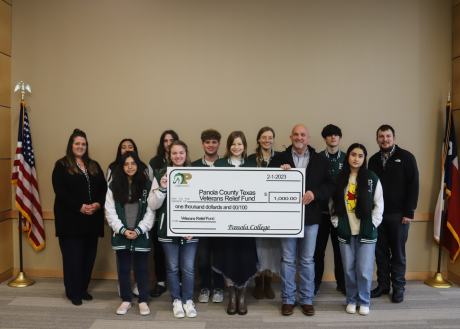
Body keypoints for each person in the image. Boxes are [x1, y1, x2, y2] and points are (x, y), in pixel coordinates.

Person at [268, 124, 335, 316]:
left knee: (307, 260)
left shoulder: (321, 161)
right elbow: (268, 183)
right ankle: (288, 300)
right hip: (286, 219)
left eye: (303, 135)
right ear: (290, 137)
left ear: (309, 138)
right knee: (288, 260)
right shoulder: (278, 159)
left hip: (311, 218)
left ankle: (306, 299)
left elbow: (331, 185)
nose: (299, 138)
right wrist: (279, 174)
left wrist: (315, 193)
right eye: (296, 135)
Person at [52, 129, 107, 306]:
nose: (80, 147)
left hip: (92, 221)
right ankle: (73, 292)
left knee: (88, 256)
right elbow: (59, 191)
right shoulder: (61, 165)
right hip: (70, 221)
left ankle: (83, 289)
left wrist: (98, 204)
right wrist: (79, 207)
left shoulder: (93, 164)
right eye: (77, 143)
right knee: (73, 258)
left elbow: (104, 188)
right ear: (71, 145)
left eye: (83, 144)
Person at [329, 143, 383, 316]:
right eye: (353, 155)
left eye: (360, 155)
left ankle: (364, 301)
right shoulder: (339, 178)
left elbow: (379, 204)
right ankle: (352, 300)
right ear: (348, 157)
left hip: (366, 232)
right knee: (349, 269)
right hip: (346, 231)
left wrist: (373, 223)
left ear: (364, 158)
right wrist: (336, 222)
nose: (356, 158)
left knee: (364, 270)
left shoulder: (372, 178)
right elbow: (332, 203)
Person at [148, 140, 199, 319]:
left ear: (186, 154)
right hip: (167, 232)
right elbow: (153, 205)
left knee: (188, 269)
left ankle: (187, 300)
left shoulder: (195, 174)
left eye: (181, 153)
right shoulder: (161, 174)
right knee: (172, 268)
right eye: (175, 153)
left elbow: (202, 202)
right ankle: (176, 300)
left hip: (190, 231)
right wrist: (162, 188)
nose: (178, 156)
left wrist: (196, 226)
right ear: (169, 155)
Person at [368, 125, 419, 303]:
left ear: (394, 138)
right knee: (380, 253)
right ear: (377, 140)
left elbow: (414, 185)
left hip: (399, 215)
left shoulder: (406, 157)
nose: (385, 139)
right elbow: (370, 187)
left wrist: (409, 212)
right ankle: (383, 285)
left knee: (397, 253)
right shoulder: (373, 160)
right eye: (381, 137)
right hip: (378, 215)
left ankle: (398, 287)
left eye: (388, 136)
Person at [213, 131, 258, 315]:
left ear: (244, 146)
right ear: (228, 146)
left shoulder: (252, 165)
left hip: (247, 221)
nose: (236, 147)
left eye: (240, 144)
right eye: (233, 144)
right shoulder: (219, 164)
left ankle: (242, 296)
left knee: (245, 256)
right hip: (225, 221)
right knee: (228, 256)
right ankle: (232, 297)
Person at [105, 152, 154, 315]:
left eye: (133, 163)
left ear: (138, 165)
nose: (130, 166)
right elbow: (109, 211)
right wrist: (123, 230)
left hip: (142, 235)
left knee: (141, 268)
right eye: (126, 164)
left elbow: (151, 210)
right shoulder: (114, 185)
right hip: (121, 235)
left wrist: (140, 229)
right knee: (124, 269)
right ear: (122, 166)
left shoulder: (147, 184)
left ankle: (143, 300)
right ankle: (126, 299)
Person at [191, 129, 225, 304]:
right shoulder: (194, 166)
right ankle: (205, 286)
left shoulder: (227, 164)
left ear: (219, 144)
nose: (211, 145)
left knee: (219, 256)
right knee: (203, 257)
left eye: (214, 142)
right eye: (207, 142)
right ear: (202, 144)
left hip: (222, 222)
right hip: (201, 221)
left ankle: (219, 287)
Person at [247, 127, 281, 299]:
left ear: (274, 139)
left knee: (272, 247)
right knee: (258, 246)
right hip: (255, 209)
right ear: (259, 140)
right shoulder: (251, 159)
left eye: (270, 137)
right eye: (263, 137)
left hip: (274, 210)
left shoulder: (281, 157)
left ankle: (269, 282)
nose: (267, 140)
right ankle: (258, 283)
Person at [314, 124, 346, 296]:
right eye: (329, 135)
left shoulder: (348, 158)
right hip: (320, 213)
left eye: (336, 135)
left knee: (340, 251)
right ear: (325, 139)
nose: (333, 138)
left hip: (340, 213)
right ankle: (316, 283)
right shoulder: (317, 158)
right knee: (317, 252)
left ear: (340, 138)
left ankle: (341, 283)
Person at [148, 130, 179, 298]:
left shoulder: (182, 161)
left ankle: (179, 283)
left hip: (179, 216)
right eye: (165, 141)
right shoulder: (155, 162)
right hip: (159, 216)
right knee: (159, 253)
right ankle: (160, 283)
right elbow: (150, 189)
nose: (168, 143)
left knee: (178, 255)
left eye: (171, 140)